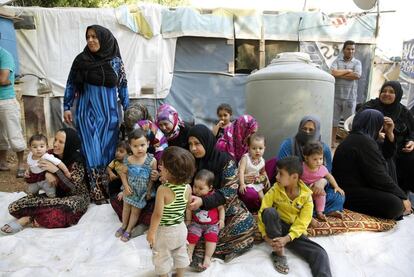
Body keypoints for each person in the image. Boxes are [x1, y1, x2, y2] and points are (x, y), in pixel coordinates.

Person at [63, 25, 129, 204]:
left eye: (95, 37)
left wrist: (128, 109)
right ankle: (96, 193)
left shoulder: (115, 62)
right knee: (92, 152)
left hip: (109, 116)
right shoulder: (80, 60)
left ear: (104, 38)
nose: (91, 40)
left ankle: (110, 190)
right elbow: (71, 84)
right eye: (88, 37)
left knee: (108, 152)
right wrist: (67, 106)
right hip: (86, 114)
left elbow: (123, 87)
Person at [187, 124, 255, 270]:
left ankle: (205, 251)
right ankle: (204, 250)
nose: (193, 148)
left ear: (207, 141)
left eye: (197, 143)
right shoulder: (190, 161)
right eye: (190, 144)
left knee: (246, 223)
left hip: (222, 209)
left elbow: (230, 190)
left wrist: (204, 201)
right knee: (184, 227)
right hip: (194, 211)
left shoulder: (225, 160)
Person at [1, 128, 89, 234]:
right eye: (55, 139)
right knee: (14, 207)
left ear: (70, 144)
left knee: (62, 212)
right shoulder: (49, 154)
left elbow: (73, 188)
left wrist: (55, 171)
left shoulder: (76, 161)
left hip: (76, 197)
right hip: (55, 195)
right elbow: (34, 177)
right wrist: (30, 174)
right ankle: (40, 214)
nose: (55, 144)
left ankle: (29, 219)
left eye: (61, 142)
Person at [258, 156, 332, 276]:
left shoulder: (306, 196)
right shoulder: (275, 189)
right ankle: (278, 253)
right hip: (276, 227)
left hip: (293, 232)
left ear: (294, 177)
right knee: (269, 212)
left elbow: (303, 222)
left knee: (320, 253)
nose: (276, 177)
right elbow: (262, 212)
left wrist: (287, 238)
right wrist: (266, 237)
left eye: (280, 174)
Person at [332, 109, 412, 219]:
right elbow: (379, 176)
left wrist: (389, 133)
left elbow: (388, 154)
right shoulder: (363, 142)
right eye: (380, 125)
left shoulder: (361, 138)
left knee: (394, 197)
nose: (381, 128)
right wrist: (402, 196)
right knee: (395, 204)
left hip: (358, 186)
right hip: (349, 193)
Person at [277, 116, 344, 216]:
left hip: (318, 190)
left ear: (317, 131)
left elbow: (328, 173)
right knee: (284, 198)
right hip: (295, 188)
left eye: (311, 130)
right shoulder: (288, 145)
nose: (307, 132)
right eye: (304, 129)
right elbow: (281, 170)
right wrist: (304, 188)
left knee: (338, 196)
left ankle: (308, 212)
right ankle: (315, 211)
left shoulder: (323, 148)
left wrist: (321, 182)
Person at [147, 146, 195, 277]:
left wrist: (151, 232)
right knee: (180, 252)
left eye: (162, 166)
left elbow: (157, 214)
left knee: (161, 255)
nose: (160, 168)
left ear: (168, 171)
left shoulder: (163, 190)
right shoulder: (188, 187)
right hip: (180, 228)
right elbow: (187, 206)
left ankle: (164, 275)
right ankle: (180, 274)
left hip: (164, 232)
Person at [359, 81, 414, 193]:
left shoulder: (404, 112)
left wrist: (412, 141)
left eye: (391, 92)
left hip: (399, 147)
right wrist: (375, 134)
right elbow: (358, 122)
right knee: (387, 156)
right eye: (384, 91)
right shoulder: (371, 106)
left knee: (410, 158)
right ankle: (389, 191)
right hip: (375, 145)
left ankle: (404, 190)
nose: (386, 94)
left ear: (398, 94)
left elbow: (412, 130)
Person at [115, 129, 156, 242]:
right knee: (126, 208)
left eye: (142, 145)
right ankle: (123, 225)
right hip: (129, 189)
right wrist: (125, 186)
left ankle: (129, 229)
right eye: (135, 146)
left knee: (135, 211)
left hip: (141, 192)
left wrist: (148, 190)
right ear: (130, 146)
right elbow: (123, 173)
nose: (139, 149)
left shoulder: (152, 161)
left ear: (148, 143)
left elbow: (152, 178)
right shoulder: (128, 159)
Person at [186, 169, 225, 270]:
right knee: (192, 236)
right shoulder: (192, 196)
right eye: (195, 186)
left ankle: (208, 257)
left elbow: (221, 208)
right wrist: (189, 221)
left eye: (201, 188)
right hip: (196, 223)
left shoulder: (213, 197)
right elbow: (189, 209)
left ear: (210, 188)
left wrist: (221, 220)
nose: (197, 190)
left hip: (212, 224)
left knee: (212, 238)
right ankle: (189, 254)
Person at [302, 142, 345, 224]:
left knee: (324, 195)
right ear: (306, 158)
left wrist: (336, 186)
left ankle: (320, 212)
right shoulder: (302, 167)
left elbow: (329, 176)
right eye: (315, 159)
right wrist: (306, 188)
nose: (318, 162)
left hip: (317, 192)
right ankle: (311, 214)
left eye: (320, 159)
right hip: (304, 192)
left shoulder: (322, 169)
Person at [0, 46, 26, 178]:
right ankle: (2, 163)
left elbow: (3, 80)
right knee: (0, 135)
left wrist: (3, 80)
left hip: (6, 101)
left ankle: (21, 165)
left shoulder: (5, 55)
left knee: (14, 133)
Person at [331, 40, 362, 147]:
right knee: (333, 121)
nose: (350, 51)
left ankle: (349, 145)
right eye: (348, 49)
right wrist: (348, 71)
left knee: (349, 123)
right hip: (336, 97)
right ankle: (332, 142)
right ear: (344, 50)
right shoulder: (337, 61)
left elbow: (357, 76)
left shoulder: (357, 62)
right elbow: (333, 72)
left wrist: (340, 74)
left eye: (353, 49)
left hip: (350, 98)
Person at [238, 133, 270, 212]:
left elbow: (263, 171)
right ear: (248, 148)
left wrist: (267, 179)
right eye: (254, 148)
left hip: (255, 181)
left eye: (260, 148)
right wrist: (242, 184)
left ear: (264, 148)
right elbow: (241, 171)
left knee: (262, 196)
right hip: (245, 181)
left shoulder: (262, 160)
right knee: (251, 195)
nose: (257, 151)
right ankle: (252, 209)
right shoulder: (246, 158)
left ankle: (264, 210)